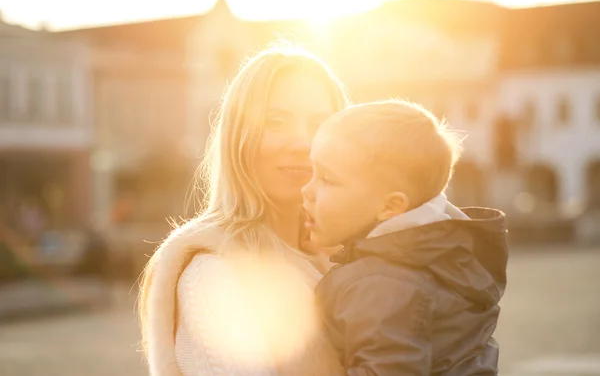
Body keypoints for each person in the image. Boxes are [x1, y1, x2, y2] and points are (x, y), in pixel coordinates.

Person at [138, 42, 350, 376]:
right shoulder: (213, 276)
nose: (301, 142)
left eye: (320, 123)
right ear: (239, 137)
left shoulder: (345, 261)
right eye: (275, 122)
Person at [302, 99, 508, 375]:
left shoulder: (386, 284)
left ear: (389, 207)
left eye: (327, 178)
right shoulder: (427, 260)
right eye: (312, 171)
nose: (307, 190)